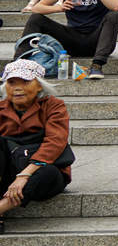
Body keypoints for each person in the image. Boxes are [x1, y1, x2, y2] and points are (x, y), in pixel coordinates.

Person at [0, 58, 73, 232]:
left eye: (25, 82)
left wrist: (24, 175)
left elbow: (55, 142)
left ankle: (2, 207)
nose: (17, 88)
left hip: (43, 170)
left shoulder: (54, 106)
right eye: (12, 82)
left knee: (48, 173)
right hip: (10, 168)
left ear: (39, 85)